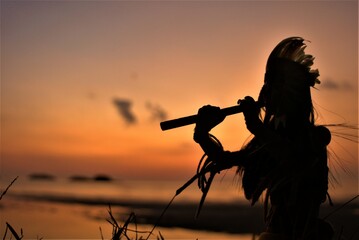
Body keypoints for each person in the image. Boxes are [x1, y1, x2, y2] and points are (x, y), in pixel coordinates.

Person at [193, 37, 334, 240]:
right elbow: (226, 160)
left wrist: (256, 127)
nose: (266, 93)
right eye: (267, 85)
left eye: (275, 86)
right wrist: (202, 134)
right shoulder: (268, 140)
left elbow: (294, 160)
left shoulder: (315, 138)